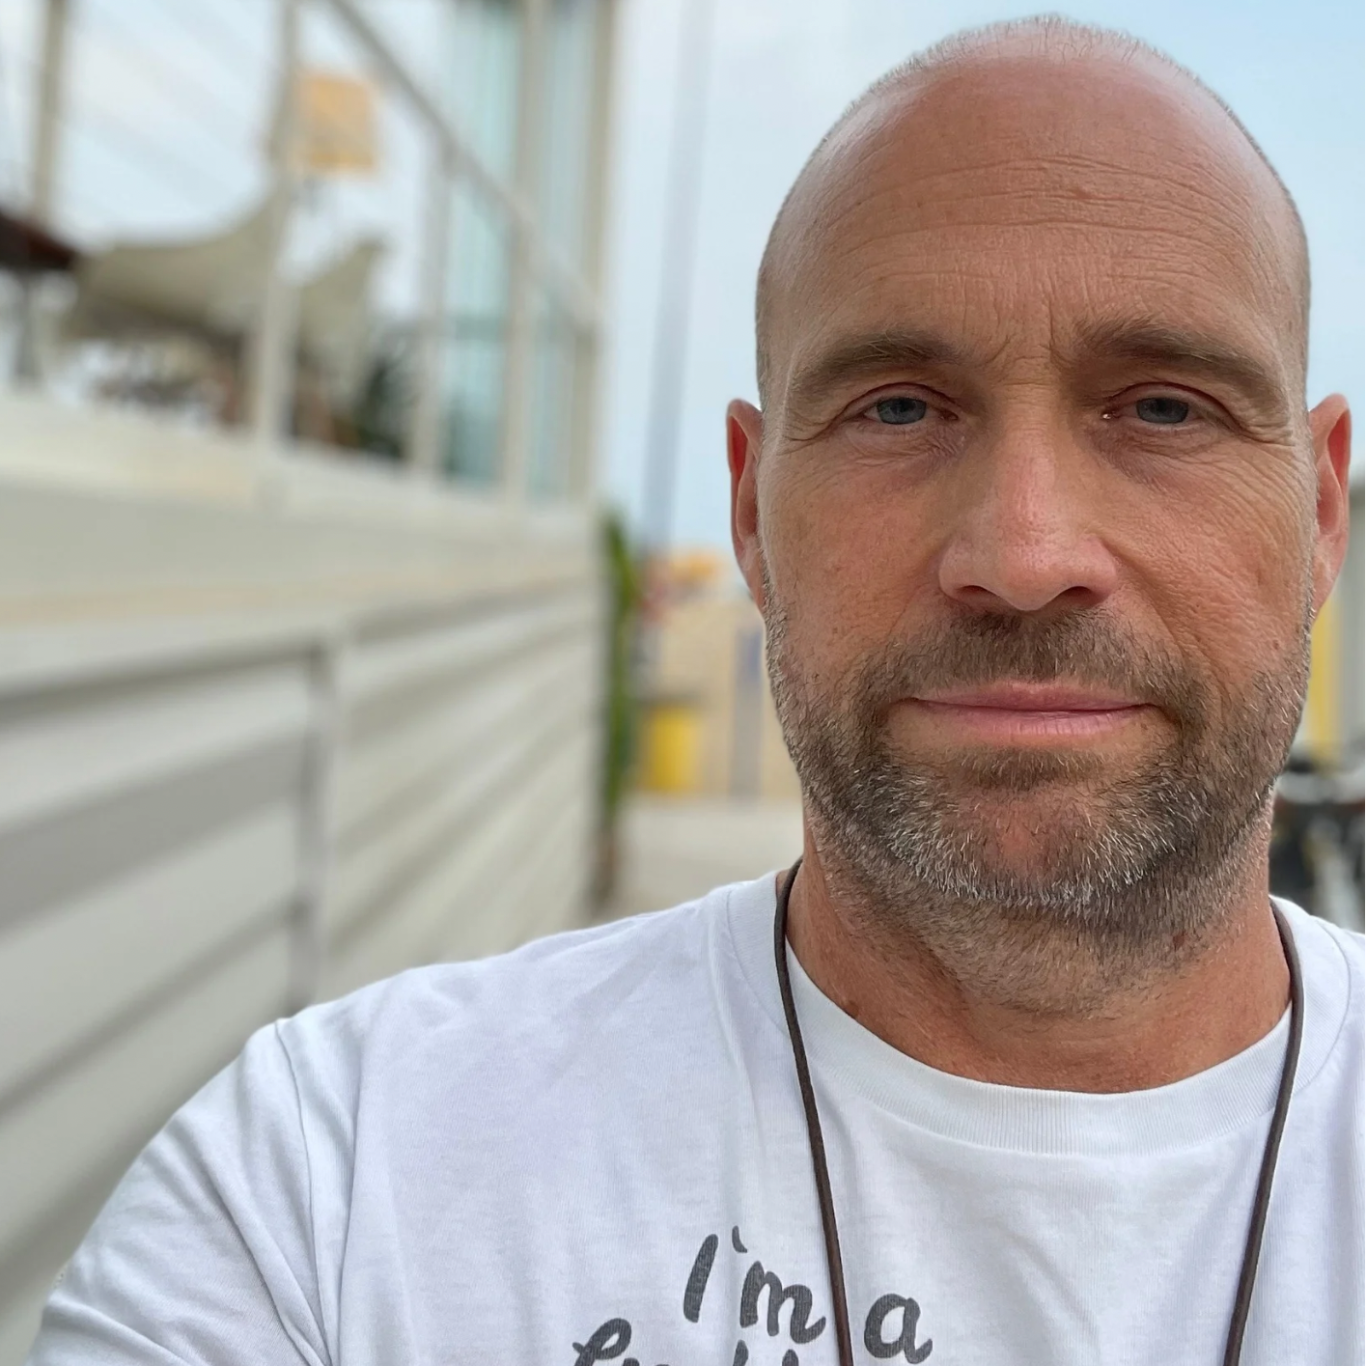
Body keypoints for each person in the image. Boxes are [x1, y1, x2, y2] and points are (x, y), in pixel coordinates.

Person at [28, 16, 1361, 1365]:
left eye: (1164, 409)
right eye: (899, 409)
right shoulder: (333, 1185)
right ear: (750, 512)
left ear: (1318, 515)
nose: (1022, 556)